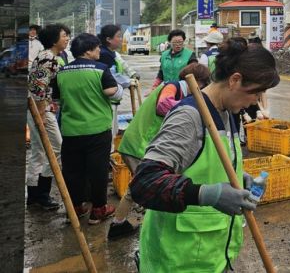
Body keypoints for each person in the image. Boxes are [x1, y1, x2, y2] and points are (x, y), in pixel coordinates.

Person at [130, 40, 281, 273]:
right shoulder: (189, 118)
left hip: (210, 258)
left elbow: (208, 163)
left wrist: (240, 177)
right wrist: (208, 194)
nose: (257, 100)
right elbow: (144, 183)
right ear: (235, 80)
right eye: (257, 92)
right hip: (177, 261)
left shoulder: (227, 112)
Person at [109, 63, 211, 239]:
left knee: (139, 186)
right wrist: (194, 107)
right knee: (144, 187)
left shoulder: (179, 89)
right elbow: (163, 105)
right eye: (203, 86)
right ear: (197, 81)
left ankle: (120, 224)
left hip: (140, 144)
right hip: (139, 145)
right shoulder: (174, 86)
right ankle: (123, 225)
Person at [56, 33, 122, 223]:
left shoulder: (63, 71)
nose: (99, 51)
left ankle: (76, 208)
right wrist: (120, 90)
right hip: (97, 130)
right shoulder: (100, 69)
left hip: (70, 130)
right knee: (98, 170)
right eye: (96, 48)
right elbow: (113, 93)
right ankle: (99, 209)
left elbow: (57, 98)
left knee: (73, 170)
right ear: (88, 51)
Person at [26, 23, 70, 211]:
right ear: (54, 39)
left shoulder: (49, 57)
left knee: (38, 151)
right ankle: (41, 194)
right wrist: (42, 115)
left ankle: (35, 195)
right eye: (63, 35)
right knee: (57, 149)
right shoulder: (49, 58)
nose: (67, 38)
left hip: (37, 108)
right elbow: (37, 88)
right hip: (39, 109)